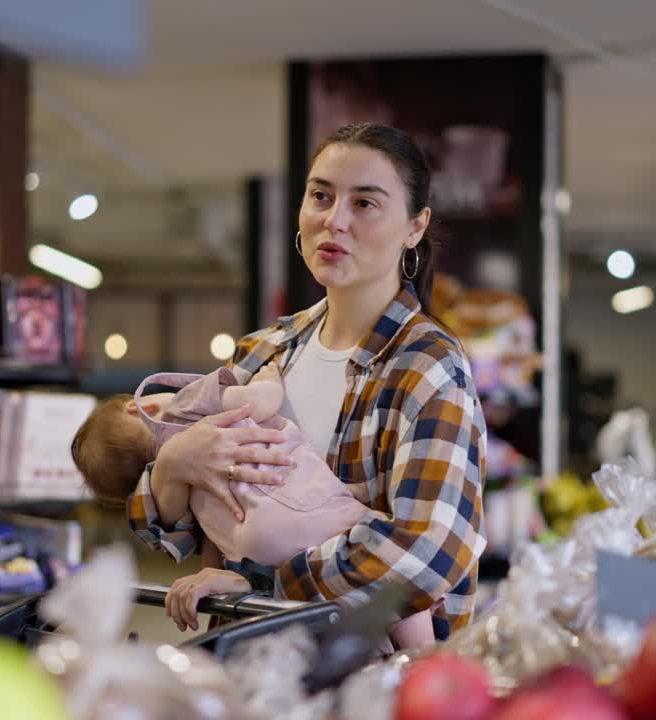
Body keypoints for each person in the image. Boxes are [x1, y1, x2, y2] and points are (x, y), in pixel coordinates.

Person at [128, 122, 489, 641]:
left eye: (365, 203)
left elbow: (425, 554)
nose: (334, 220)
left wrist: (257, 584)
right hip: (253, 668)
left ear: (415, 226)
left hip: (367, 683)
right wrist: (171, 466)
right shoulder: (262, 353)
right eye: (321, 195)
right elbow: (177, 531)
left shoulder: (426, 365)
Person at [73, 362, 436, 648]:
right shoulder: (185, 402)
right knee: (387, 567)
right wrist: (270, 380)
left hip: (245, 548)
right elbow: (259, 402)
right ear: (143, 407)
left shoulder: (183, 478)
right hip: (293, 506)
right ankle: (421, 655)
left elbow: (197, 538)